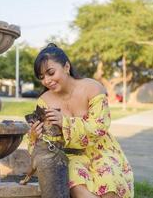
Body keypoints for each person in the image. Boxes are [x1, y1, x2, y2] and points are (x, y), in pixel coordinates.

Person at [28, 43, 134, 198]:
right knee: (77, 187)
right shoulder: (44, 101)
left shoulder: (92, 88)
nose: (47, 81)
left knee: (110, 182)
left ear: (66, 67)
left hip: (101, 148)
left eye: (51, 73)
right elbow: (49, 144)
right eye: (42, 77)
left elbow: (99, 127)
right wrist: (35, 135)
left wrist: (64, 122)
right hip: (70, 154)